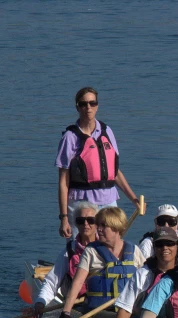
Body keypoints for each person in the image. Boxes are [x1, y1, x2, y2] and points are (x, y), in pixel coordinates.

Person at [56, 87, 139, 239]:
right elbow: (63, 182)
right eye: (83, 104)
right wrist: (64, 218)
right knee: (81, 247)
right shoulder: (70, 137)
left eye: (92, 103)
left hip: (108, 202)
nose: (88, 107)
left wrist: (134, 199)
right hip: (82, 204)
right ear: (77, 107)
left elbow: (114, 172)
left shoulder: (107, 132)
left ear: (97, 106)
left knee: (111, 245)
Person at [58, 207, 146, 318]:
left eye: (103, 226)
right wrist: (66, 312)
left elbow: (147, 282)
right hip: (100, 312)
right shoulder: (91, 251)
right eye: (98, 225)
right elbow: (77, 283)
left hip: (129, 310)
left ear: (116, 228)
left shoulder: (134, 250)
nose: (98, 229)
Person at [107, 227, 178, 318]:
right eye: (159, 244)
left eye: (169, 243)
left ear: (177, 245)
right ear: (154, 247)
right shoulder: (142, 274)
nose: (164, 248)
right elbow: (125, 308)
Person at [33, 202, 98, 318]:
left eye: (91, 220)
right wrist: (40, 302)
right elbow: (52, 282)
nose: (86, 224)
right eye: (80, 220)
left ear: (98, 223)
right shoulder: (69, 251)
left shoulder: (106, 248)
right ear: (76, 225)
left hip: (101, 304)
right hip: (77, 306)